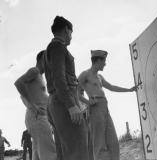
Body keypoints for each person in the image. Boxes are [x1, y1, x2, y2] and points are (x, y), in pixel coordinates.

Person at [42, 16, 96, 160]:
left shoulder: (52, 47)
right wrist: (71, 105)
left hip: (57, 100)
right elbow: (59, 79)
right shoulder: (58, 46)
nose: (71, 37)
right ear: (66, 29)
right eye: (71, 32)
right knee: (78, 149)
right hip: (64, 101)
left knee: (65, 151)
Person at [78, 50, 138, 160]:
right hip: (95, 108)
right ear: (98, 61)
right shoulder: (85, 74)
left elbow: (112, 87)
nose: (105, 64)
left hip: (104, 107)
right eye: (104, 61)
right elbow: (75, 92)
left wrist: (129, 90)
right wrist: (88, 102)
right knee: (99, 144)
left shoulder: (100, 76)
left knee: (113, 143)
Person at [14, 51, 56, 160]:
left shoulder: (40, 76)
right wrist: (32, 105)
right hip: (38, 117)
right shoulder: (35, 71)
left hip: (38, 116)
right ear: (44, 59)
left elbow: (22, 96)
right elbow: (18, 83)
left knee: (38, 156)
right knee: (50, 155)